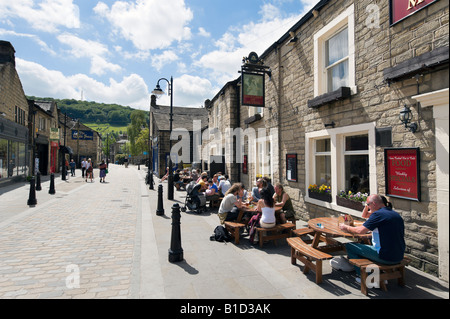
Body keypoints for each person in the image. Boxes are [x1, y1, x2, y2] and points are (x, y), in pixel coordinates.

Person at [339, 194, 406, 280]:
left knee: (349, 246)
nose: (367, 207)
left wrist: (345, 227)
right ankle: (372, 271)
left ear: (374, 204)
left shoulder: (378, 215)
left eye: (368, 205)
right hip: (399, 255)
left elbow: (360, 231)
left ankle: (367, 277)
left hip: (385, 257)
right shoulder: (394, 214)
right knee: (363, 243)